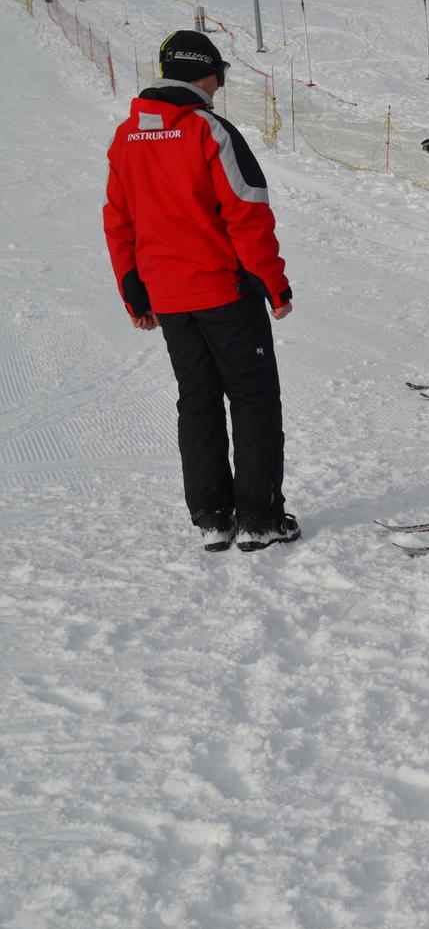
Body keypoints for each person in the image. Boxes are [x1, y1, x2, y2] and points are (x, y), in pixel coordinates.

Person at [103, 31, 299, 553]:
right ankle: (259, 518)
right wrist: (273, 284)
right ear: (206, 74)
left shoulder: (126, 137)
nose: (219, 88)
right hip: (223, 292)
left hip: (169, 300)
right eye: (220, 77)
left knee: (198, 400)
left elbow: (118, 222)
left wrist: (135, 294)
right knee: (252, 397)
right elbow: (246, 211)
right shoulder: (207, 129)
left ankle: (212, 517)